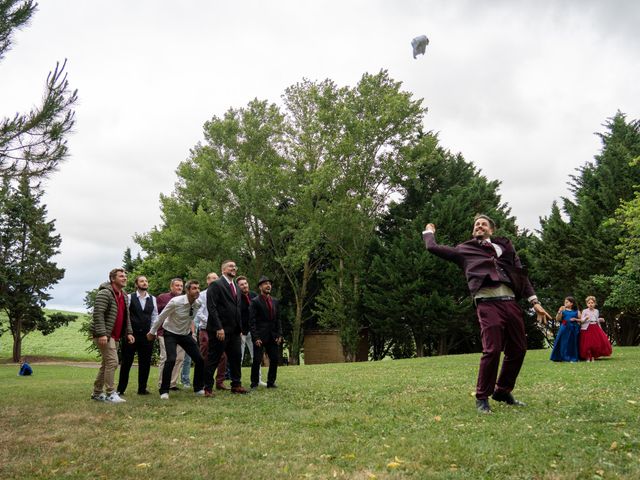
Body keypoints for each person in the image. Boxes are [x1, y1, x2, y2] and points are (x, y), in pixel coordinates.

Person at [423, 215, 551, 414]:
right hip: (487, 303)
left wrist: (535, 302)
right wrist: (429, 232)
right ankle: (482, 397)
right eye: (476, 224)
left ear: (491, 229)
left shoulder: (506, 248)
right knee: (492, 350)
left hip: (510, 302)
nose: (479, 226)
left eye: (483, 224)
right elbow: (433, 248)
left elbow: (521, 276)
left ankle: (502, 391)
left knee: (518, 349)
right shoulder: (464, 250)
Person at [147, 280, 206, 399]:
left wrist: (192, 332)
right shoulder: (175, 302)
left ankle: (198, 388)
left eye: (198, 288)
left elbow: (191, 319)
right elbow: (161, 317)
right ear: (187, 290)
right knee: (171, 359)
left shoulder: (198, 303)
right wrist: (152, 332)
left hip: (185, 335)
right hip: (170, 333)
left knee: (199, 359)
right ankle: (164, 391)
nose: (197, 291)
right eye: (194, 288)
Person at [203, 260, 248, 395]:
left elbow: (237, 309)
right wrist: (218, 327)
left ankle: (236, 385)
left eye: (235, 266)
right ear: (223, 270)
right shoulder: (216, 285)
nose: (233, 268)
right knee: (213, 358)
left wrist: (240, 329)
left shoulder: (236, 287)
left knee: (235, 357)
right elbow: (212, 307)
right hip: (220, 330)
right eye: (230, 266)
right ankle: (208, 388)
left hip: (234, 331)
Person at [90, 268, 135, 403]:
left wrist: (129, 332)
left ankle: (97, 393)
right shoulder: (105, 293)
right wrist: (102, 334)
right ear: (112, 279)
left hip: (115, 336)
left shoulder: (124, 295)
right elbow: (98, 314)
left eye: (125, 276)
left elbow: (126, 316)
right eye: (121, 276)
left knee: (106, 364)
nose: (125, 278)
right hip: (104, 335)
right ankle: (110, 393)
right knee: (113, 362)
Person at [117, 275, 158, 395]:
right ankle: (121, 389)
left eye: (146, 281)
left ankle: (142, 389)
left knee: (145, 363)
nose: (145, 283)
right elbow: (125, 315)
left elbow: (155, 316)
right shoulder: (129, 297)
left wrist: (153, 332)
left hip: (147, 336)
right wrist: (127, 332)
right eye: (142, 281)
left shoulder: (152, 299)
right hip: (131, 335)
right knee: (126, 363)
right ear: (136, 284)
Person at [195, 272, 229, 391]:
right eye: (212, 279)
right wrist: (212, 322)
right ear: (207, 281)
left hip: (219, 329)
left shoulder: (222, 293)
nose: (214, 280)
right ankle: (205, 382)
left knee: (223, 356)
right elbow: (198, 313)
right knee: (205, 355)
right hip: (205, 328)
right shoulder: (202, 295)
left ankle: (220, 382)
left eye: (216, 278)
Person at [249, 276, 283, 389]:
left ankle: (271, 382)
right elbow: (252, 321)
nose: (268, 286)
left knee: (274, 359)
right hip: (260, 336)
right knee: (257, 360)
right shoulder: (255, 302)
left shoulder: (275, 301)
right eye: (265, 284)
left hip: (272, 335)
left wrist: (279, 334)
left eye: (269, 284)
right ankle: (254, 383)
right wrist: (255, 337)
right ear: (260, 287)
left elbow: (278, 319)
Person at [156, 278, 186, 391]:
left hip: (181, 332)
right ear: (171, 287)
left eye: (181, 286)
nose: (179, 288)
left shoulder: (185, 299)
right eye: (177, 285)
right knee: (166, 358)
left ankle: (172, 383)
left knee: (179, 358)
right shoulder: (162, 298)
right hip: (165, 332)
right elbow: (157, 315)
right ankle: (162, 383)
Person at [237, 275, 265, 386]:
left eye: (245, 283)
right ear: (238, 287)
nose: (244, 286)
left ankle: (258, 379)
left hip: (254, 331)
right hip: (241, 332)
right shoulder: (236, 297)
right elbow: (236, 315)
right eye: (242, 284)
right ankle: (237, 381)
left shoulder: (254, 296)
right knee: (240, 357)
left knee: (256, 356)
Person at [579, 296, 612, 362]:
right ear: (587, 304)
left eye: (592, 303)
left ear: (595, 303)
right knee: (588, 343)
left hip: (595, 327)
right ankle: (588, 357)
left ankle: (593, 356)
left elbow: (595, 319)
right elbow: (582, 320)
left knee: (595, 343)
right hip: (587, 327)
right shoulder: (585, 311)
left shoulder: (596, 311)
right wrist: (585, 318)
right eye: (589, 303)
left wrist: (600, 319)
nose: (590, 304)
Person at [550, 296, 581, 362]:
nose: (565, 303)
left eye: (567, 302)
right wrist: (559, 311)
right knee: (563, 342)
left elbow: (581, 320)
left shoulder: (577, 311)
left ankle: (572, 357)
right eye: (565, 302)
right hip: (564, 328)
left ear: (571, 303)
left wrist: (576, 320)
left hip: (574, 329)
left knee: (572, 343)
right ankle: (561, 357)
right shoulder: (563, 311)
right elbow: (558, 319)